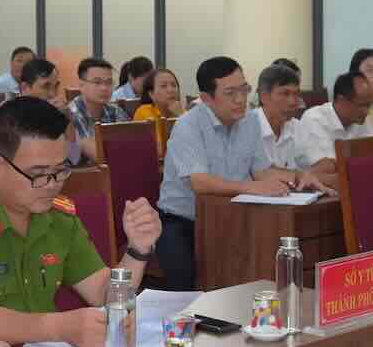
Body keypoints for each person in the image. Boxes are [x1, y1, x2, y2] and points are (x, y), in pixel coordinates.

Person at [0, 97, 161, 347]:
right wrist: (58, 328)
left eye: (60, 171)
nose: (52, 185)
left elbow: (102, 293)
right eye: (38, 174)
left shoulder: (58, 215)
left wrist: (138, 250)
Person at [155, 56, 326, 290]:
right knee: (184, 279)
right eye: (230, 93)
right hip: (183, 222)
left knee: (261, 261)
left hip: (231, 218)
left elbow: (261, 171)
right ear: (206, 98)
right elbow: (200, 182)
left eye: (244, 90)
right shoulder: (188, 125)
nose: (240, 99)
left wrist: (296, 176)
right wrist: (251, 187)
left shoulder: (249, 122)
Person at [297, 71, 373, 187]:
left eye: (370, 105)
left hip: (350, 187)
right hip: (315, 192)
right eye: (362, 105)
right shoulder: (314, 118)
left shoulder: (361, 119)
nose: (367, 111)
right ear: (341, 100)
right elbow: (328, 168)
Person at [70, 58, 129, 162]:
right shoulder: (71, 114)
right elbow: (98, 155)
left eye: (109, 82)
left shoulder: (116, 111)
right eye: (97, 82)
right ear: (81, 84)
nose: (104, 88)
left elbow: (132, 146)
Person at [252, 64, 304, 170]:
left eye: (296, 94)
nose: (293, 102)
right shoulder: (247, 127)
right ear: (264, 97)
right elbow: (262, 173)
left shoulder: (297, 127)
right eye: (285, 94)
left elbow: (311, 167)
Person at [134, 67, 184, 153]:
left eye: (174, 85)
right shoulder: (144, 112)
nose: (170, 90)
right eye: (163, 86)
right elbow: (159, 150)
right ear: (151, 94)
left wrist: (181, 116)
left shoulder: (181, 113)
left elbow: (199, 146)